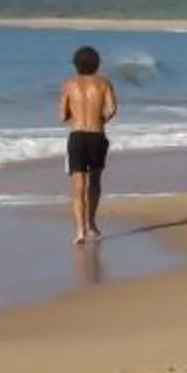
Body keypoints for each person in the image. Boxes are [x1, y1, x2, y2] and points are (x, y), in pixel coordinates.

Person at [59, 44, 118, 245]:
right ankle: (91, 221)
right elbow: (112, 109)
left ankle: (80, 231)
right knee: (95, 182)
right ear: (97, 64)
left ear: (76, 64)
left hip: (77, 136)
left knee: (78, 186)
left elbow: (61, 115)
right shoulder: (104, 83)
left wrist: (73, 114)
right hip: (97, 135)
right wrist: (100, 120)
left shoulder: (69, 84)